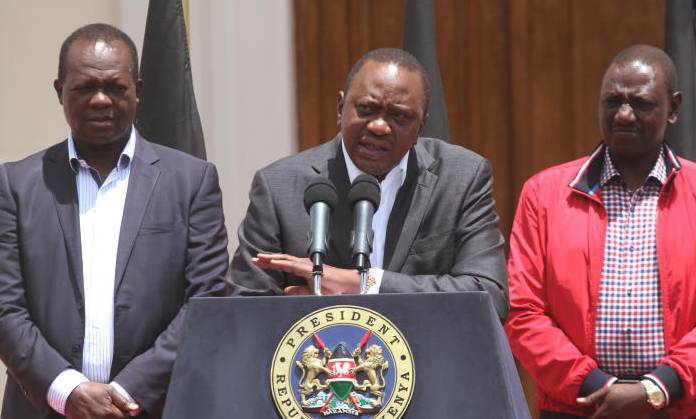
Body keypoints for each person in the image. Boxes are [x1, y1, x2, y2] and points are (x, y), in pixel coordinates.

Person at [0, 23, 228, 419]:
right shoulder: (16, 185)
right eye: (85, 88)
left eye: (116, 88)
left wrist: (125, 394)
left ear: (138, 90)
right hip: (45, 408)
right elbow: (5, 307)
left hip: (156, 408)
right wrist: (67, 390)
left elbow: (205, 302)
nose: (101, 100)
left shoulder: (192, 182)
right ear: (59, 91)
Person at [505, 44, 696, 418]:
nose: (623, 115)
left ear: (674, 108)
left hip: (687, 405)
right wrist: (599, 389)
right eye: (612, 102)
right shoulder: (543, 195)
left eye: (640, 103)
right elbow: (523, 311)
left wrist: (660, 387)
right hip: (578, 407)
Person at [227, 48, 508, 320]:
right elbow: (244, 307)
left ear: (421, 126)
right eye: (366, 109)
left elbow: (489, 297)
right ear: (340, 108)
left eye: (398, 115)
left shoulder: (461, 178)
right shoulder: (279, 187)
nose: (379, 127)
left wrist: (365, 283)